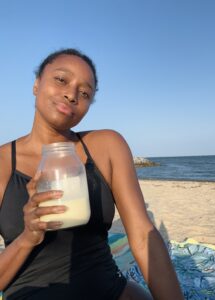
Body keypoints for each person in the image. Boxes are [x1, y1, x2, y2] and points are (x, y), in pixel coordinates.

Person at [0, 48, 184, 300]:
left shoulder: (107, 145)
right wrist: (28, 236)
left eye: (85, 93)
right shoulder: (2, 164)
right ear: (36, 84)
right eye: (61, 80)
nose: (71, 94)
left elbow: (142, 236)